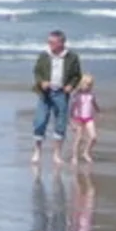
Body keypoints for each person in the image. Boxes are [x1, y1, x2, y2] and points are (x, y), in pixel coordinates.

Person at [32, 30, 82, 165]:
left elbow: (77, 75)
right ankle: (37, 151)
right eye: (49, 42)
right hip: (45, 93)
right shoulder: (44, 55)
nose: (49, 44)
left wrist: (71, 85)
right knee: (40, 121)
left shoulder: (72, 57)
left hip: (61, 93)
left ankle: (57, 154)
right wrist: (41, 82)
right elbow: (37, 72)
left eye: (52, 42)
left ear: (61, 43)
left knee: (60, 123)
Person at [69, 74, 99, 164]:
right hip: (78, 118)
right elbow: (72, 109)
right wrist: (71, 122)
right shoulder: (76, 95)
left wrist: (98, 111)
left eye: (91, 85)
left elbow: (94, 104)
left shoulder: (91, 95)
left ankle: (86, 152)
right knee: (79, 138)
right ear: (81, 84)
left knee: (93, 137)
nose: (89, 87)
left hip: (89, 118)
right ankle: (74, 156)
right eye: (87, 84)